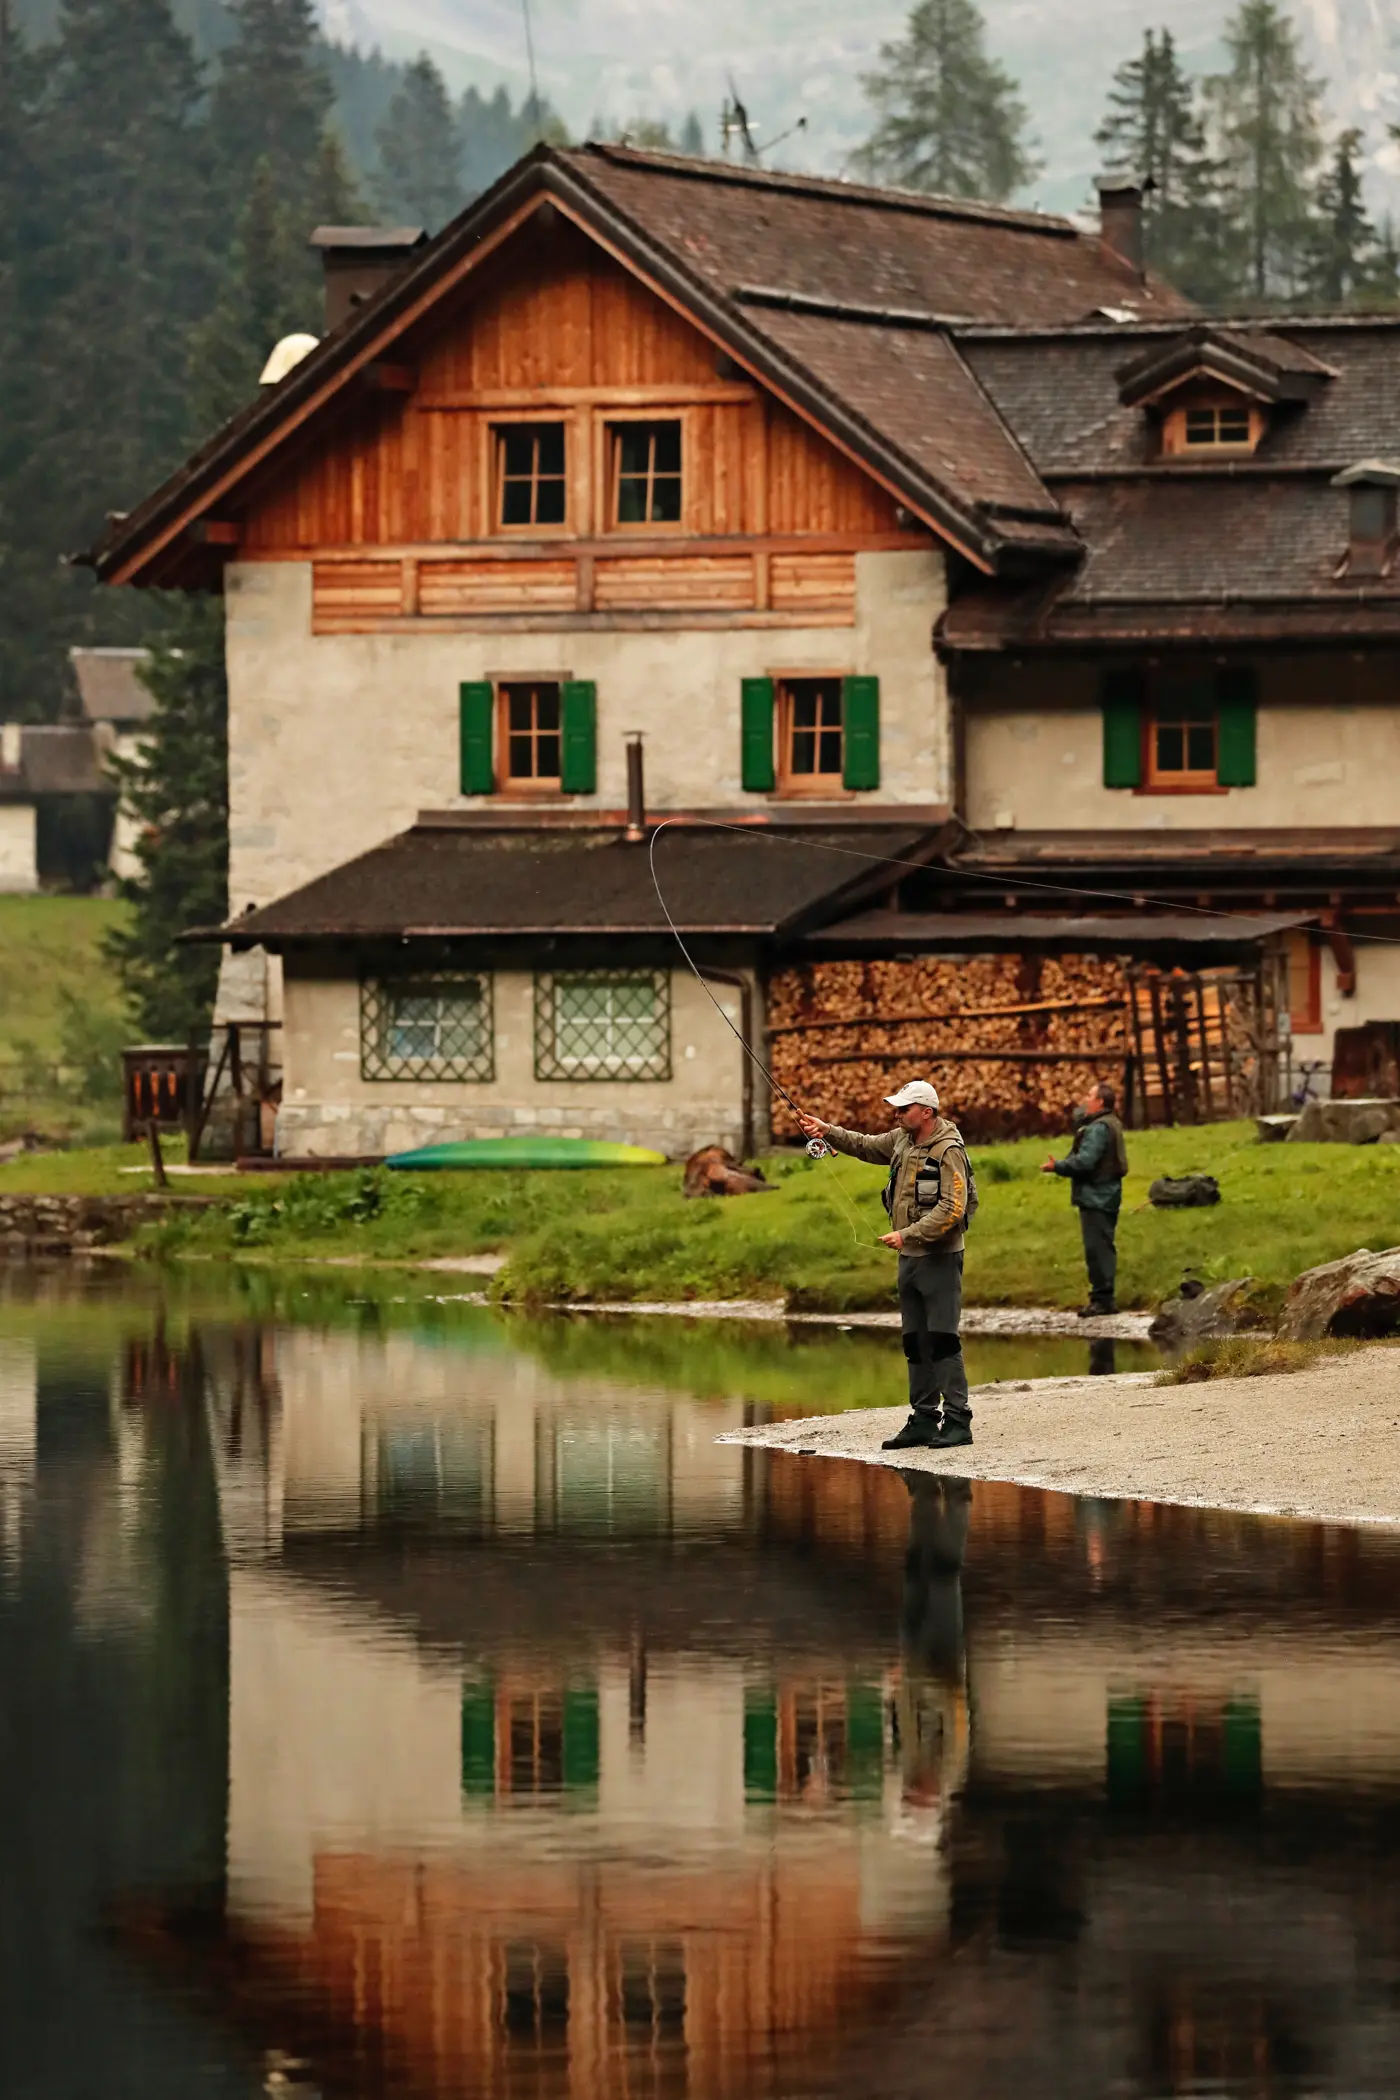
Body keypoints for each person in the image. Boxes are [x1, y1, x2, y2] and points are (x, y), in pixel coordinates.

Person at [797, 1078, 972, 1451]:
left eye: (903, 1109)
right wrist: (826, 1130)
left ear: (926, 1111)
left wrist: (908, 1234)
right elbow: (862, 1144)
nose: (896, 1114)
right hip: (908, 1259)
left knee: (942, 1341)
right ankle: (924, 1418)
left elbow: (952, 1209)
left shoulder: (948, 1149)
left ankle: (958, 1421)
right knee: (915, 1341)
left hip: (939, 1258)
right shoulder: (901, 1140)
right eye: (896, 1108)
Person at [1041, 1079, 1129, 1316]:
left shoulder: (1099, 1128)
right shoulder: (1109, 1123)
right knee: (1102, 1247)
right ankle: (1103, 1298)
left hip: (1097, 1197)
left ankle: (1102, 1300)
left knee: (1097, 1249)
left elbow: (1085, 1162)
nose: (1085, 1101)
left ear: (1100, 1102)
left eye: (1090, 1096)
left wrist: (1057, 1166)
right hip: (1105, 1195)